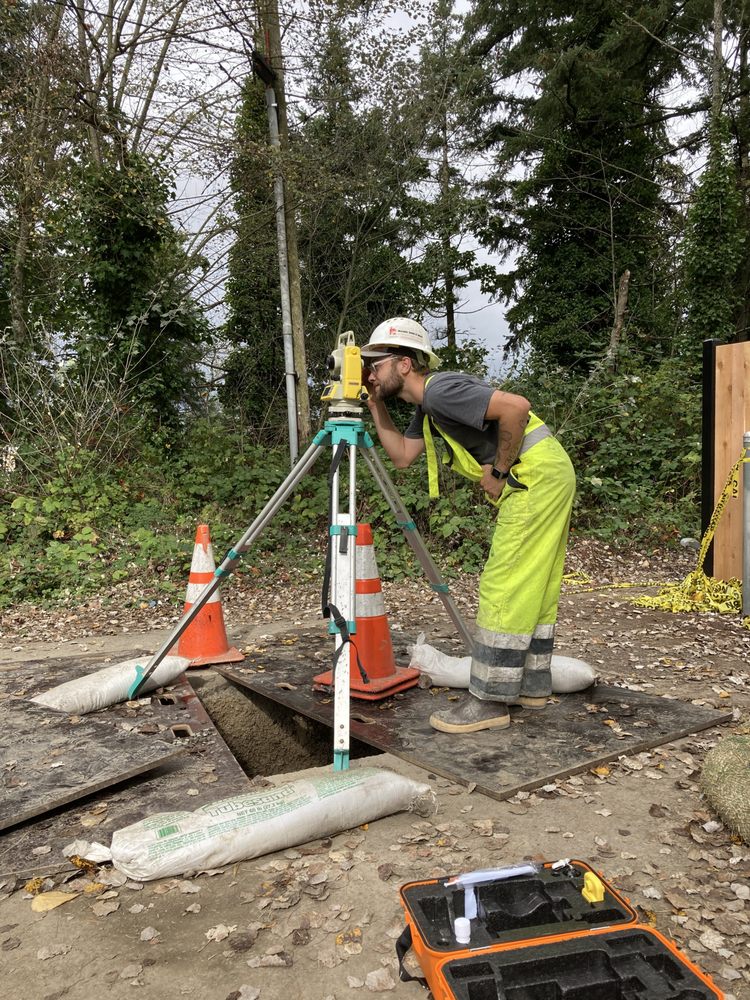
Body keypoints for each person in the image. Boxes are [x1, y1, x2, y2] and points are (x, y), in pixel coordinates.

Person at [361, 317, 576, 735]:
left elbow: (516, 407)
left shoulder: (440, 391)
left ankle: (489, 701)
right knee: (535, 584)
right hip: (546, 473)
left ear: (404, 364)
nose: (370, 372)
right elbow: (403, 456)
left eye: (376, 363)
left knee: (505, 584)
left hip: (533, 475)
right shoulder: (427, 407)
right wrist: (373, 402)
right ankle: (530, 687)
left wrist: (498, 470)